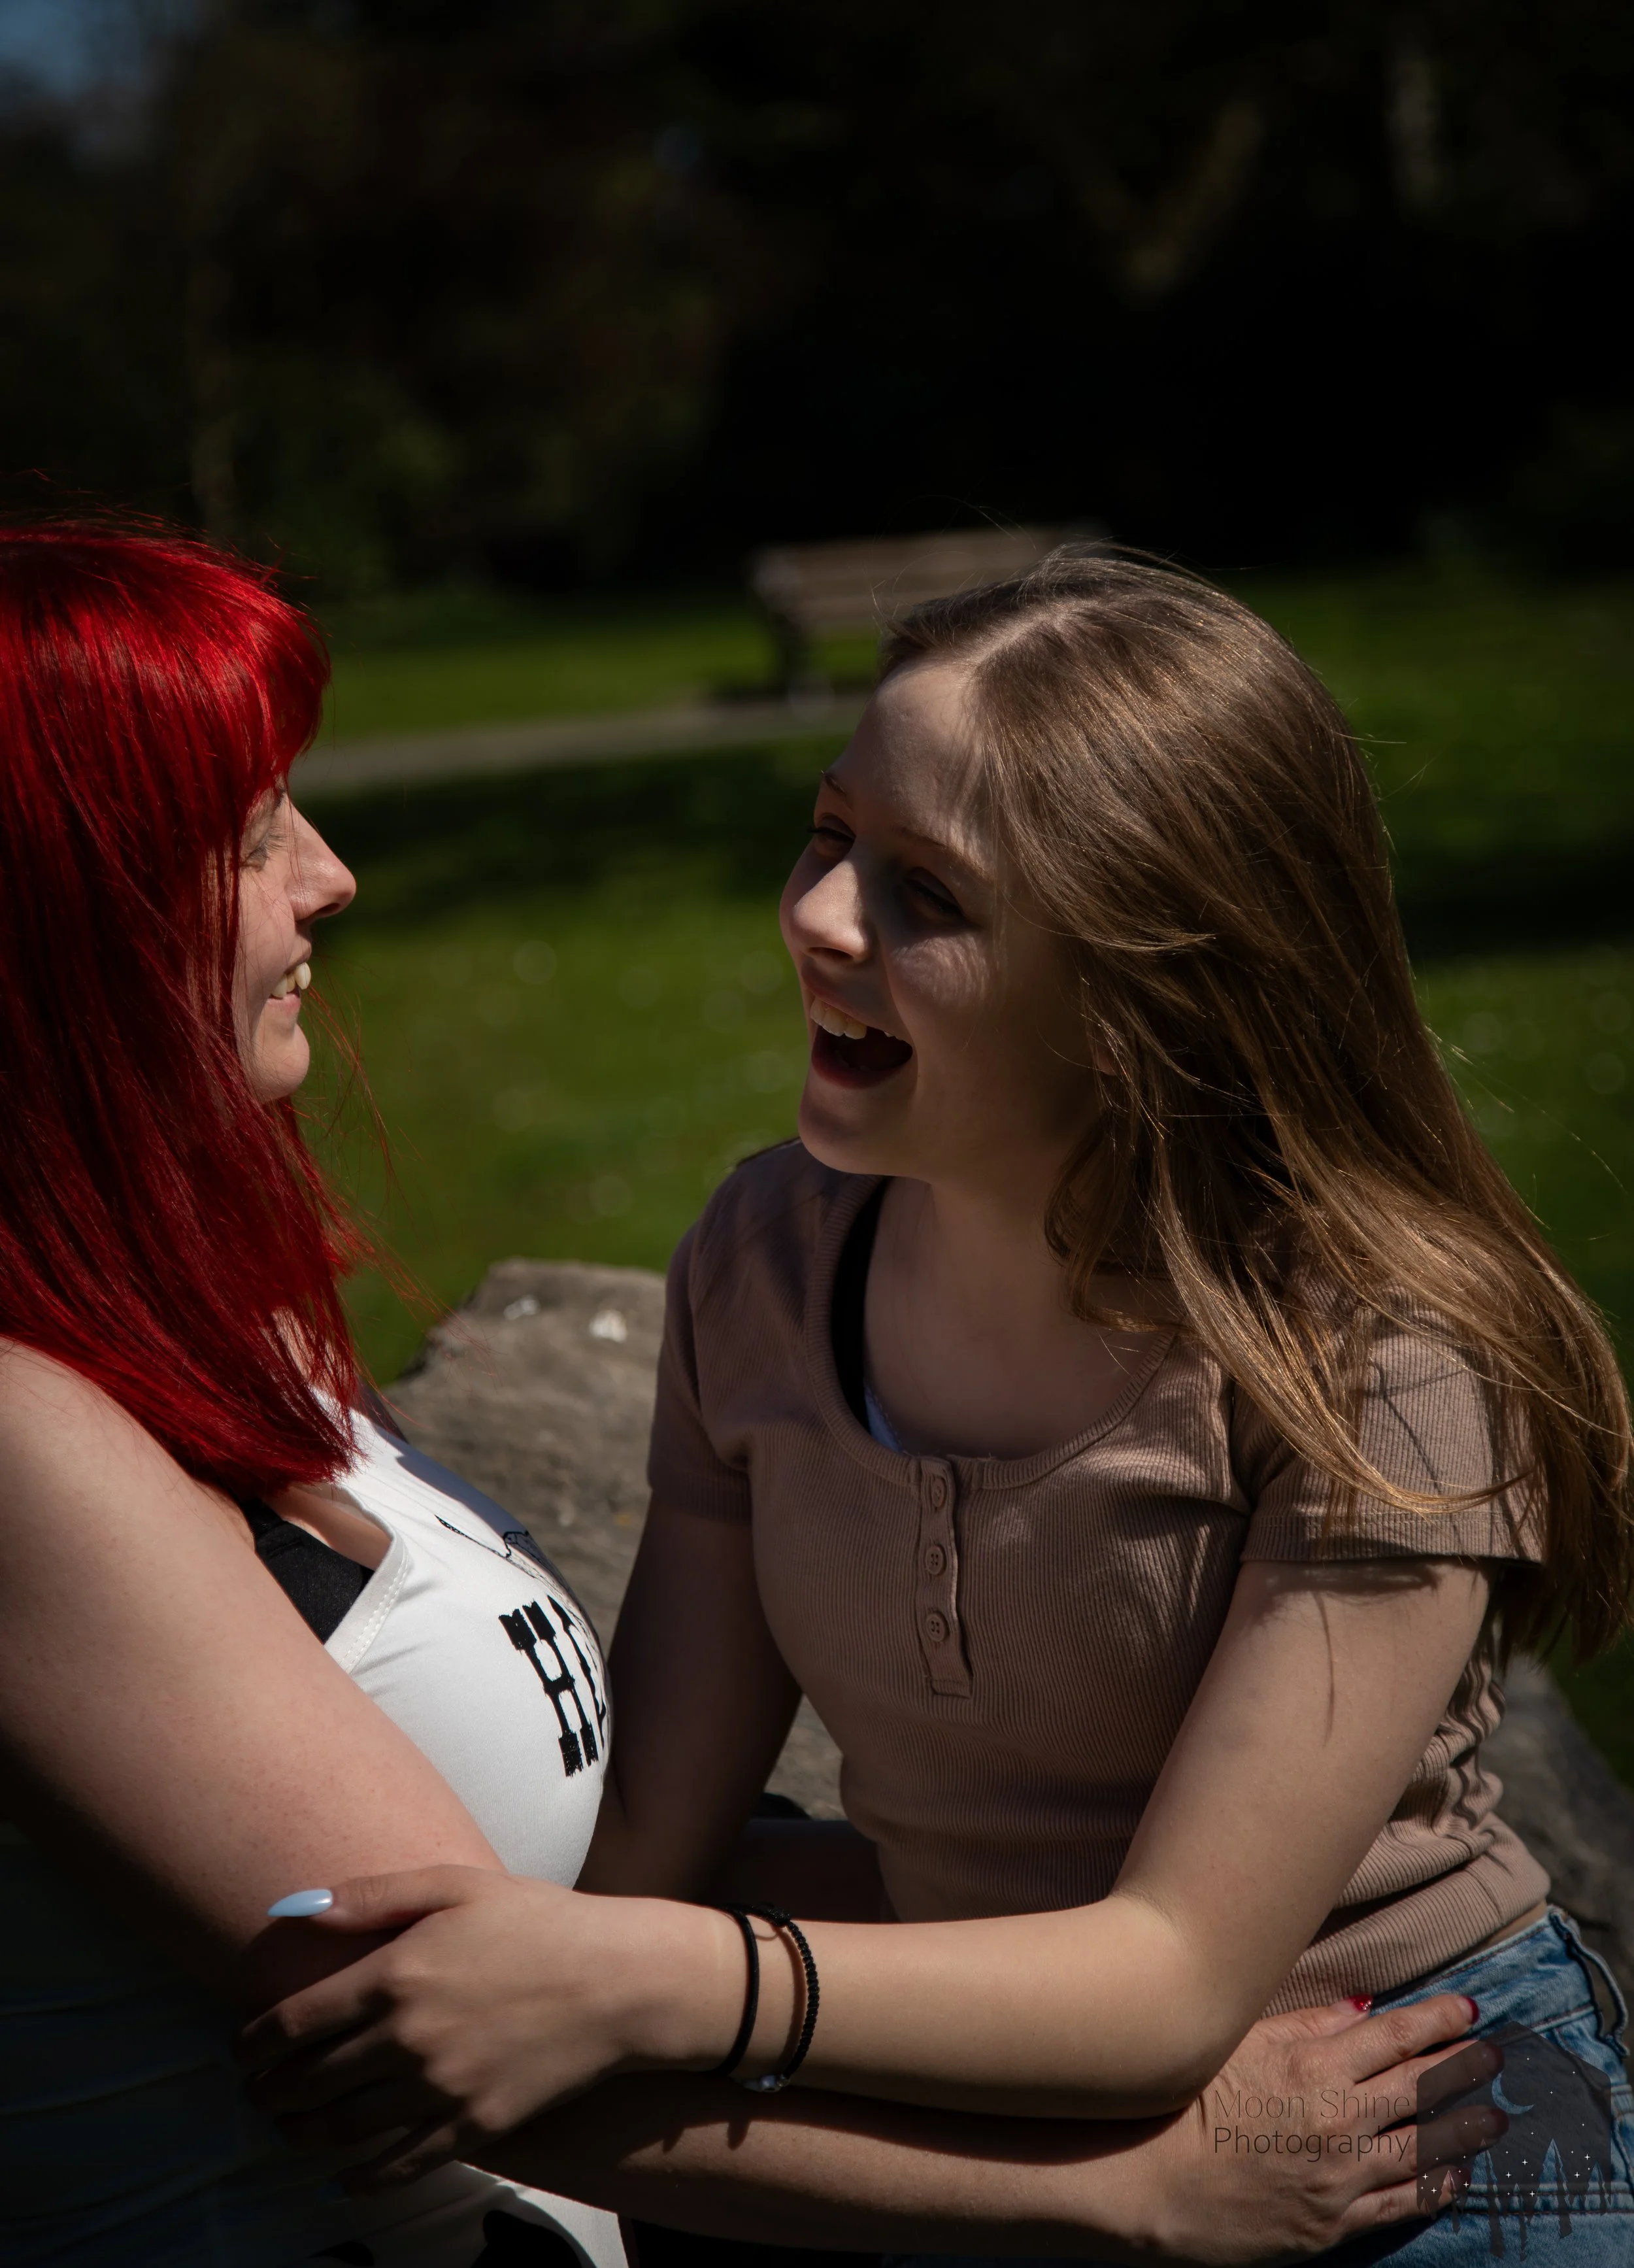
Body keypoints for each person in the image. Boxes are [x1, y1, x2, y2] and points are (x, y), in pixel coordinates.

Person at [0, 523, 1485, 2267]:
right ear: (62, 922)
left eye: (922, 885)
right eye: (252, 836)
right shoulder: (762, 1265)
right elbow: (469, 2003)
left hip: (1389, 2092)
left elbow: (631, 1899)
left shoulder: (1373, 1364)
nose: (331, 877)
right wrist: (1124, 2194)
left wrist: (680, 1965)